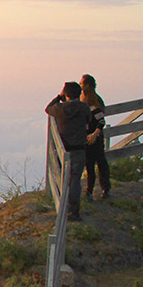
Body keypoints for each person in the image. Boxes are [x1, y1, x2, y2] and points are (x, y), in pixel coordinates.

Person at [46, 81, 89, 221]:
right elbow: (89, 119)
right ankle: (74, 211)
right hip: (79, 149)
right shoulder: (84, 108)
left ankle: (63, 208)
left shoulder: (60, 109)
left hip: (63, 149)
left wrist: (59, 97)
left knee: (63, 179)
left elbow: (48, 108)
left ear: (66, 94)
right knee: (75, 180)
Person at [80, 74, 111, 200]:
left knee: (97, 162)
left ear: (87, 85)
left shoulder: (93, 102)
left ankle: (100, 189)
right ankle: (92, 190)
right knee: (92, 164)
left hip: (94, 137)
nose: (80, 85)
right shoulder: (90, 100)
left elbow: (101, 120)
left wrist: (94, 134)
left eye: (82, 83)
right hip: (89, 137)